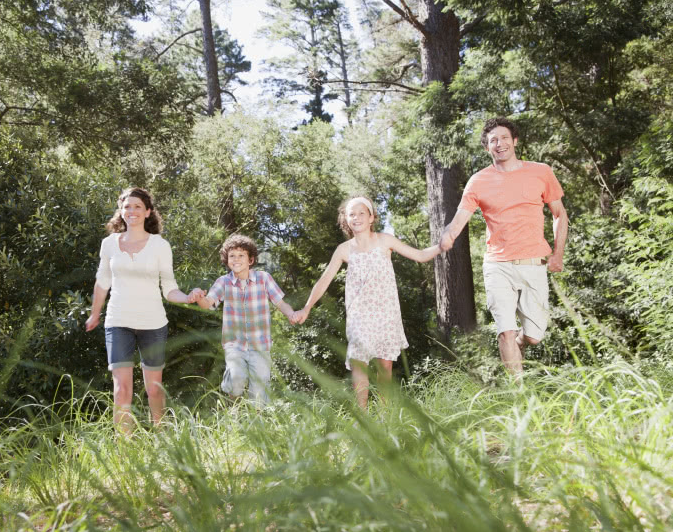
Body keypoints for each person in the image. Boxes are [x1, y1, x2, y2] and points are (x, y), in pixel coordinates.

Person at [439, 117, 569, 376]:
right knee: (505, 331)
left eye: (504, 138)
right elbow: (460, 218)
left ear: (515, 141)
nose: (499, 144)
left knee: (534, 336)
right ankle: (517, 396)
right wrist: (448, 235)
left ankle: (522, 344)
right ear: (487, 148)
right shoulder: (478, 181)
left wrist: (558, 254)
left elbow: (559, 215)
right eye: (493, 141)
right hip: (497, 264)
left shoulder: (541, 172)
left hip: (533, 263)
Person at [292, 196, 441, 409]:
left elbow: (419, 255)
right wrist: (307, 307)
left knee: (384, 366)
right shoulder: (344, 249)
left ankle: (384, 416)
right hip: (359, 315)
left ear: (371, 217)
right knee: (358, 363)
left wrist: (442, 244)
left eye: (362, 213)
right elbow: (324, 279)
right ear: (346, 220)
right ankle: (363, 417)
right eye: (351, 214)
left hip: (385, 313)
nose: (357, 217)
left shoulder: (385, 240)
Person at [85, 187, 204, 433]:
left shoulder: (160, 245)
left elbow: (169, 288)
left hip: (153, 323)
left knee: (154, 389)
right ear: (121, 210)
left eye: (137, 206)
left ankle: (159, 436)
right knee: (121, 388)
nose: (132, 211)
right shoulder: (109, 244)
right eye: (127, 206)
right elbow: (102, 281)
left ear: (148, 211)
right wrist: (95, 313)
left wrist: (188, 298)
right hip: (118, 321)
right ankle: (125, 448)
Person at [197, 234, 297, 405]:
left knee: (259, 392)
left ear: (250, 260)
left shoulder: (264, 279)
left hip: (260, 345)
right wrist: (199, 296)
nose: (236, 259)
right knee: (236, 379)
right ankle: (232, 411)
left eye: (241, 255)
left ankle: (256, 424)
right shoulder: (223, 282)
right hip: (234, 344)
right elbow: (207, 303)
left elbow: (280, 303)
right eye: (232, 256)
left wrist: (291, 314)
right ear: (226, 259)